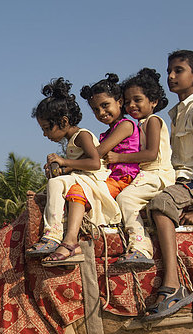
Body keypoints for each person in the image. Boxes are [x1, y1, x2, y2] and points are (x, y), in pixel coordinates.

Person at [143, 50, 193, 321]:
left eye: (178, 70)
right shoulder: (176, 113)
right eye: (169, 71)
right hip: (178, 180)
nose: (171, 76)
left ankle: (173, 283)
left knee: (160, 204)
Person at [42, 73, 140, 265]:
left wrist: (65, 162)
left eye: (105, 105)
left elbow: (97, 155)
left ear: (119, 101)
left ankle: (70, 241)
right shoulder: (106, 132)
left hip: (122, 178)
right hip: (112, 177)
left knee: (78, 191)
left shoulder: (125, 126)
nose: (101, 113)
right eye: (96, 109)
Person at [27, 77, 120, 262]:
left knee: (55, 184)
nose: (45, 134)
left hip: (94, 179)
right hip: (83, 177)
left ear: (63, 121)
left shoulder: (81, 136)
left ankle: (53, 234)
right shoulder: (72, 141)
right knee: (56, 181)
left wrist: (64, 162)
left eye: (47, 128)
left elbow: (94, 163)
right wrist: (60, 168)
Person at [106, 68, 175, 265]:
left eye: (137, 100)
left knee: (126, 199)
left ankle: (141, 247)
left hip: (157, 173)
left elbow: (151, 154)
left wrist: (118, 157)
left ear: (153, 101)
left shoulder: (153, 121)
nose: (131, 105)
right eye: (127, 102)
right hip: (146, 174)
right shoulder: (140, 124)